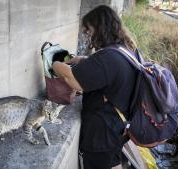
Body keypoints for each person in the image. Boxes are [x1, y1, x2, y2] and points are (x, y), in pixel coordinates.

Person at [52, 5, 137, 169]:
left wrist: (55, 64)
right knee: (113, 162)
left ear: (100, 28)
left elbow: (74, 80)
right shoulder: (123, 49)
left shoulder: (108, 58)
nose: (89, 36)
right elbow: (104, 69)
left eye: (89, 31)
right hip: (117, 126)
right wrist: (81, 59)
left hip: (101, 134)